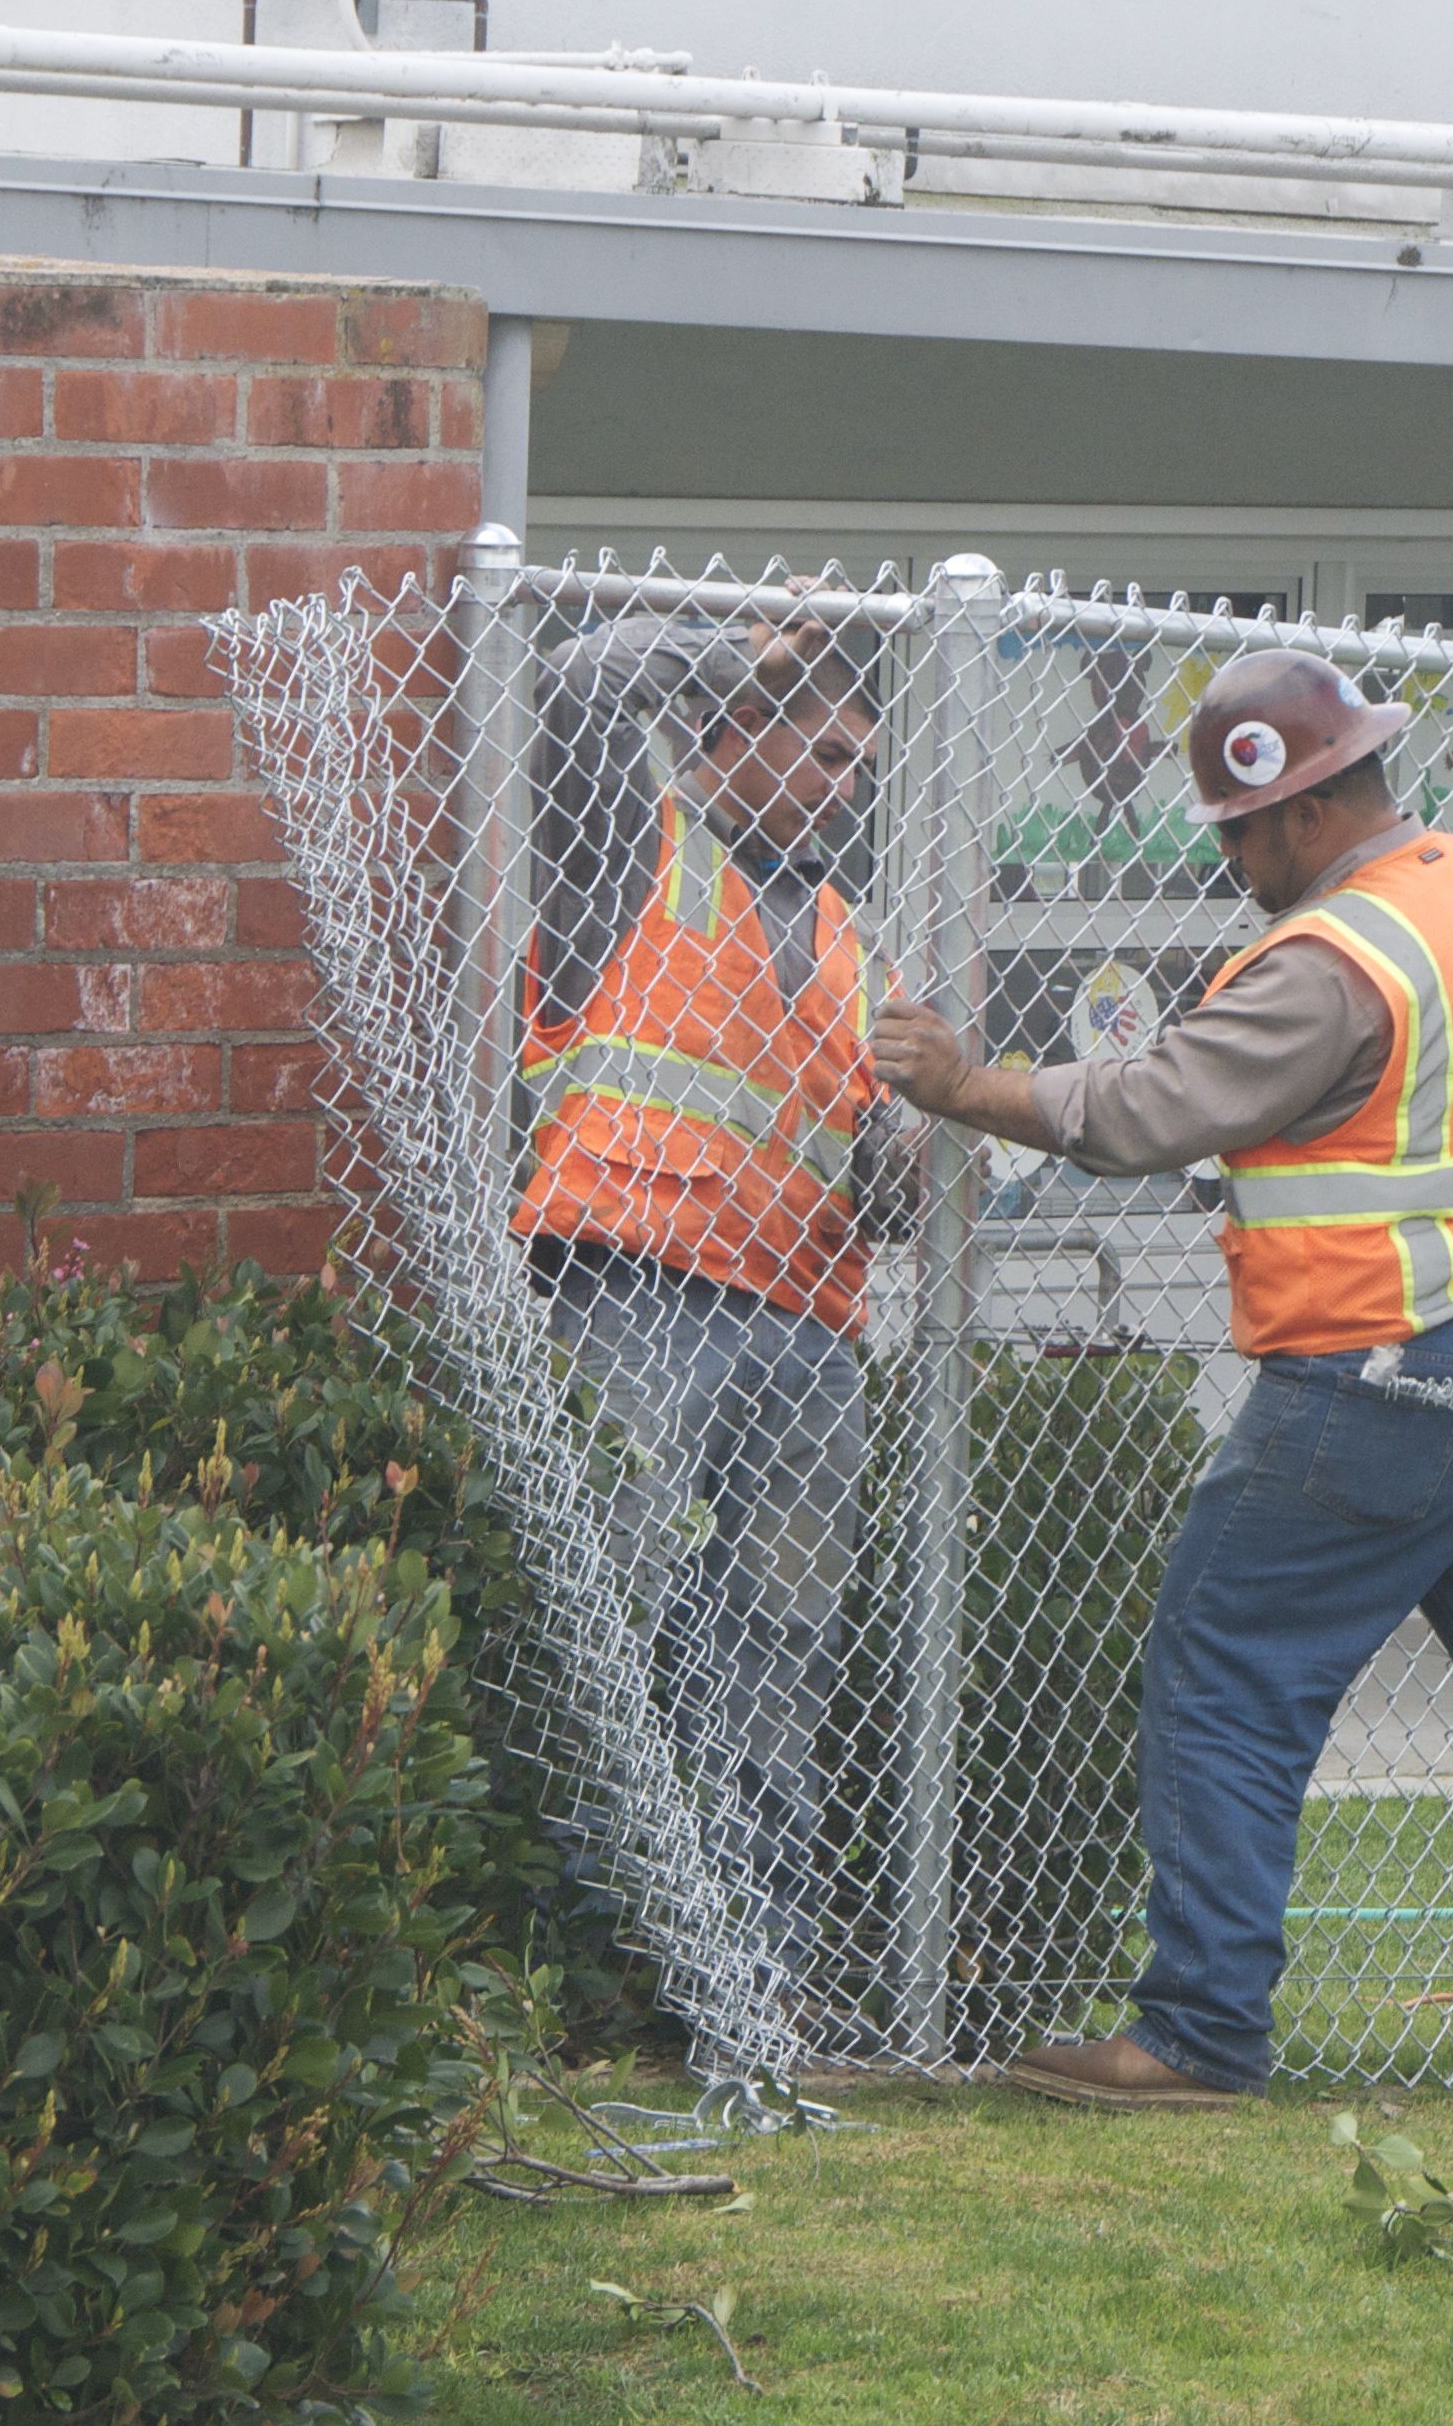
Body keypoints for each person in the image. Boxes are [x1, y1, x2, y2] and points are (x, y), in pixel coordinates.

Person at [872, 647, 1453, 2109]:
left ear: (1303, 811)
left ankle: (1200, 2030)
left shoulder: (1335, 962)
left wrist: (967, 1088)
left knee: (1229, 1671)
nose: (1232, 862)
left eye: (1236, 832)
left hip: (1376, 1379)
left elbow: (1150, 1108)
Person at [517, 593, 914, 2038]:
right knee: (609, 1622)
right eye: (821, 752)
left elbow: (881, 1170)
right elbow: (573, 691)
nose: (845, 784)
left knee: (779, 1650)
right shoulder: (630, 856)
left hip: (807, 1329)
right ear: (726, 742)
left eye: (858, 761)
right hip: (630, 1296)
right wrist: (728, 652)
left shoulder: (850, 937)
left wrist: (911, 1155)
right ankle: (596, 1971)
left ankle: (762, 1974)